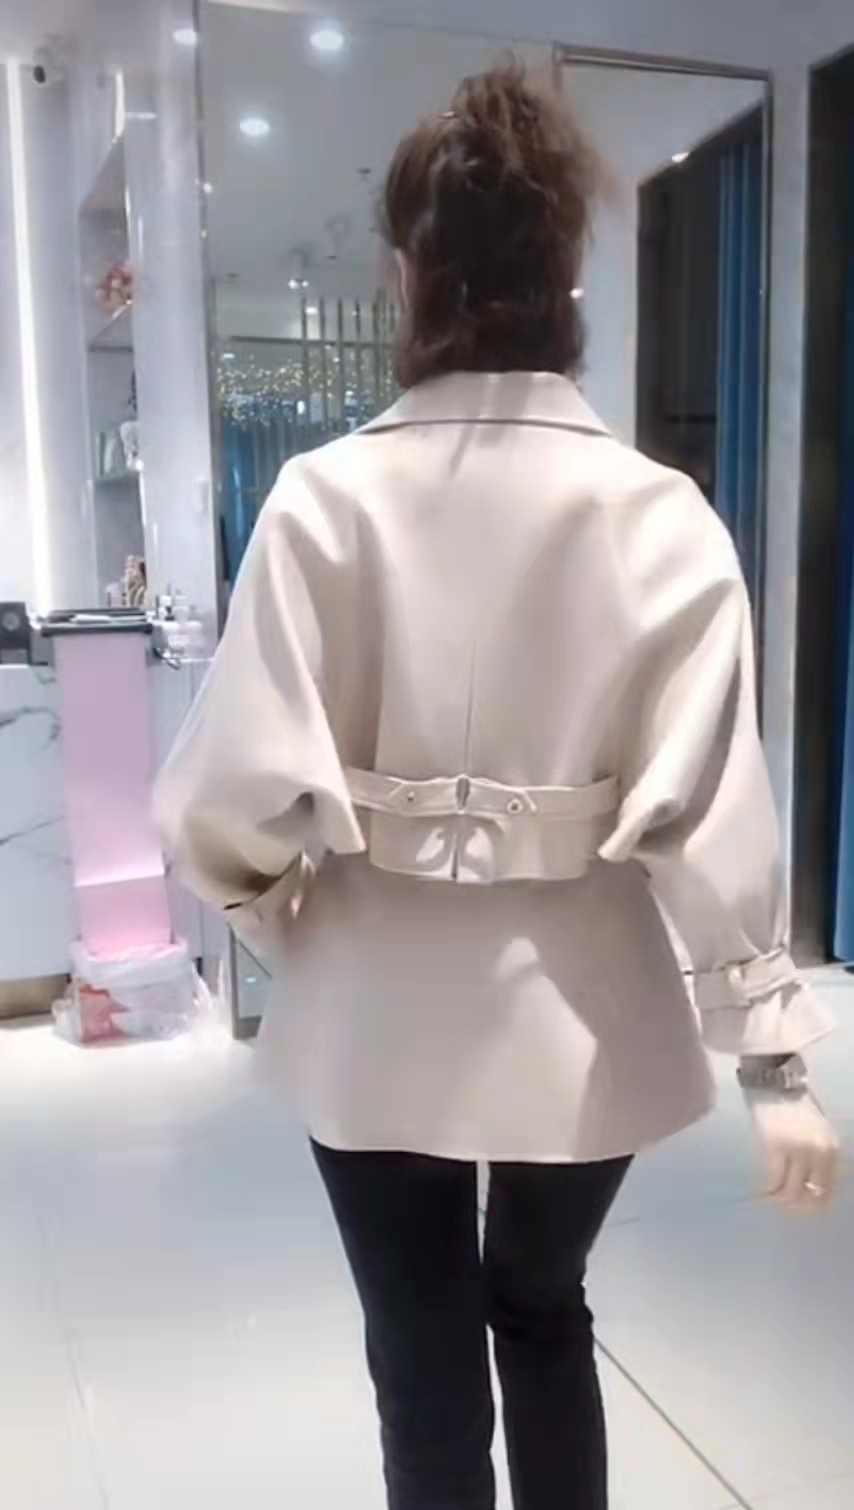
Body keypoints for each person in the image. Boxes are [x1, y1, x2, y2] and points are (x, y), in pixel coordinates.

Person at [155, 63, 840, 1510]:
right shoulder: (661, 515)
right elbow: (713, 809)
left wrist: (280, 912)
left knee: (420, 1370)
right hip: (584, 1006)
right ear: (564, 275)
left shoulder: (320, 502)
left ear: (408, 273)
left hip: (370, 1003)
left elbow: (223, 799)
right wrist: (772, 1062)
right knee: (541, 1308)